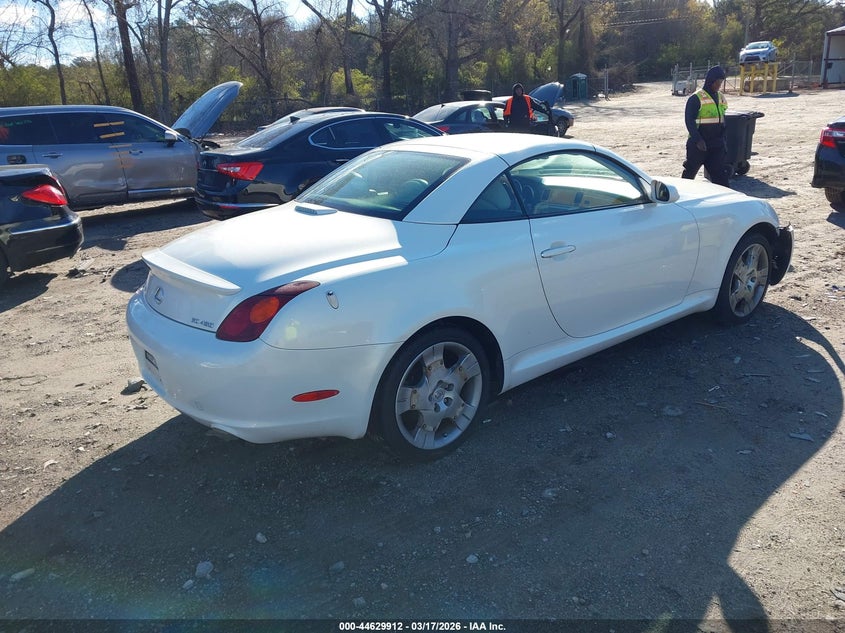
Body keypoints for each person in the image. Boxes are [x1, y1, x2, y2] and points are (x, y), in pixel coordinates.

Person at [682, 65, 730, 187]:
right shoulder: (696, 98)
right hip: (699, 145)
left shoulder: (720, 97)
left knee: (720, 177)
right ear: (711, 81)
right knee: (689, 174)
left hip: (716, 144)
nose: (719, 85)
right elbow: (689, 120)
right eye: (718, 82)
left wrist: (723, 138)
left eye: (721, 82)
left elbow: (723, 117)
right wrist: (698, 140)